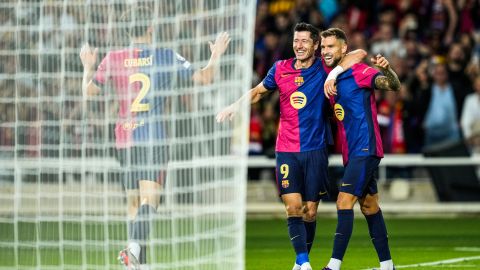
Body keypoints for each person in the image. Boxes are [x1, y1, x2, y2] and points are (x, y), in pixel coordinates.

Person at [79, 6, 230, 270]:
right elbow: (206, 77)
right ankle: (134, 250)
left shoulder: (113, 57)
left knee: (133, 203)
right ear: (150, 27)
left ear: (128, 30)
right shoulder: (165, 56)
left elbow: (88, 92)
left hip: (124, 137)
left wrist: (87, 67)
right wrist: (215, 55)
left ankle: (138, 264)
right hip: (153, 137)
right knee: (151, 200)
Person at [216, 22, 366, 270]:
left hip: (315, 150)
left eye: (305, 41)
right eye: (296, 41)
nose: (299, 46)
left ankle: (300, 263)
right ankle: (304, 262)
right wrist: (234, 106)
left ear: (316, 45)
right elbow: (257, 92)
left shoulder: (323, 67)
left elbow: (359, 54)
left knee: (309, 212)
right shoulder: (280, 69)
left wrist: (333, 73)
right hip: (286, 149)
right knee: (293, 207)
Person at [320, 28, 400, 270]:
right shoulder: (328, 75)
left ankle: (333, 266)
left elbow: (392, 84)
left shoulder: (359, 72)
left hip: (366, 147)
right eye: (323, 47)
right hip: (351, 152)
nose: (325, 51)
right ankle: (388, 266)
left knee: (344, 201)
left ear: (343, 48)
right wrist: (332, 74)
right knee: (369, 206)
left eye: (330, 46)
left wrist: (387, 69)